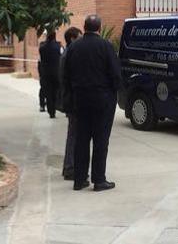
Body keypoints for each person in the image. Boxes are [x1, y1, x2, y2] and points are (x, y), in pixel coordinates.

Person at [64, 15, 121, 192]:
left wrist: (70, 96)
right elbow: (115, 74)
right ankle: (99, 180)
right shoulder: (106, 46)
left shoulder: (73, 47)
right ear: (99, 28)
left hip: (80, 99)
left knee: (81, 140)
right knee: (100, 140)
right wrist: (114, 92)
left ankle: (79, 180)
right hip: (102, 100)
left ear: (85, 27)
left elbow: (65, 74)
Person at [59, 26, 83, 181]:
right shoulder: (70, 55)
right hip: (73, 101)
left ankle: (68, 166)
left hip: (70, 100)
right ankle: (70, 168)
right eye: (80, 37)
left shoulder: (66, 54)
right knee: (74, 135)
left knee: (73, 134)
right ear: (73, 38)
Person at [38, 31, 62, 119]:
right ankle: (54, 108)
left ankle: (50, 111)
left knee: (48, 92)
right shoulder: (59, 46)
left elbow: (40, 59)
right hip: (56, 72)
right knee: (55, 91)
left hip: (45, 73)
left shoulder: (42, 47)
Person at [38, 40, 47, 112]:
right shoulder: (40, 58)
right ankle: (42, 105)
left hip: (45, 75)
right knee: (43, 90)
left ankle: (44, 104)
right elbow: (39, 68)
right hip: (43, 76)